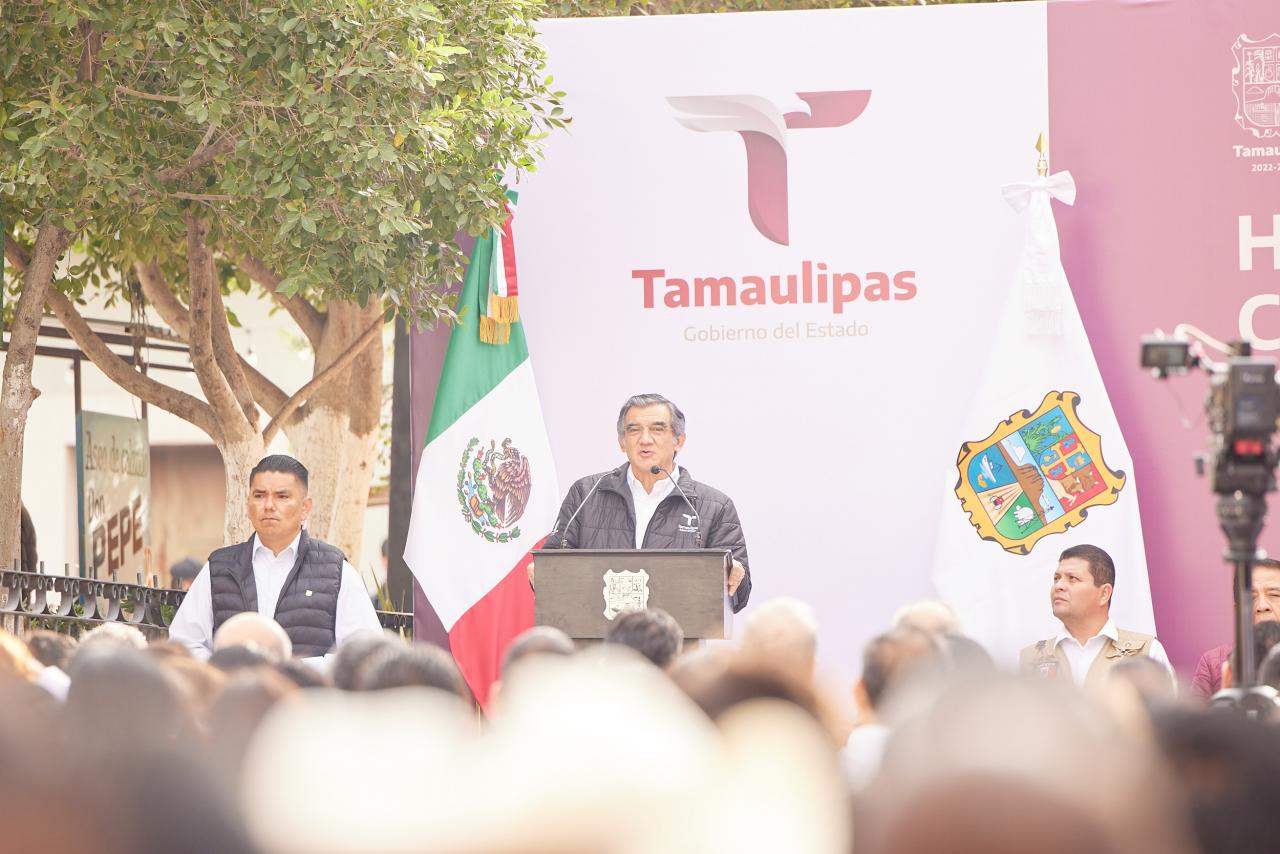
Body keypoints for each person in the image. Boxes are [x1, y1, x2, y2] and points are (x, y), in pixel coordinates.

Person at [535, 393, 751, 611]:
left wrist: (736, 576)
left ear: (679, 441)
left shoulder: (714, 506)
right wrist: (540, 570)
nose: (645, 439)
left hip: (677, 631)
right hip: (599, 630)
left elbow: (739, 596)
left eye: (657, 429)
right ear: (622, 442)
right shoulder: (586, 493)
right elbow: (552, 567)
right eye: (634, 430)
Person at [169, 455, 381, 661]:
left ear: (305, 507)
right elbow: (184, 643)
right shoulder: (219, 568)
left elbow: (363, 652)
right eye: (259, 495)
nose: (269, 505)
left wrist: (297, 669)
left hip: (305, 685)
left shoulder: (334, 570)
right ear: (248, 504)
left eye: (282, 496)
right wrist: (225, 671)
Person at [1020, 544, 1173, 690]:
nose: (1058, 586)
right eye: (1056, 578)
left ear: (1104, 593)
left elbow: (1167, 708)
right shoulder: (1031, 657)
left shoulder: (1146, 651)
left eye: (1072, 578)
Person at [1190, 558, 1280, 700]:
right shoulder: (1213, 663)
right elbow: (1196, 714)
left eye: (1274, 595)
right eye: (1251, 598)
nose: (1262, 606)